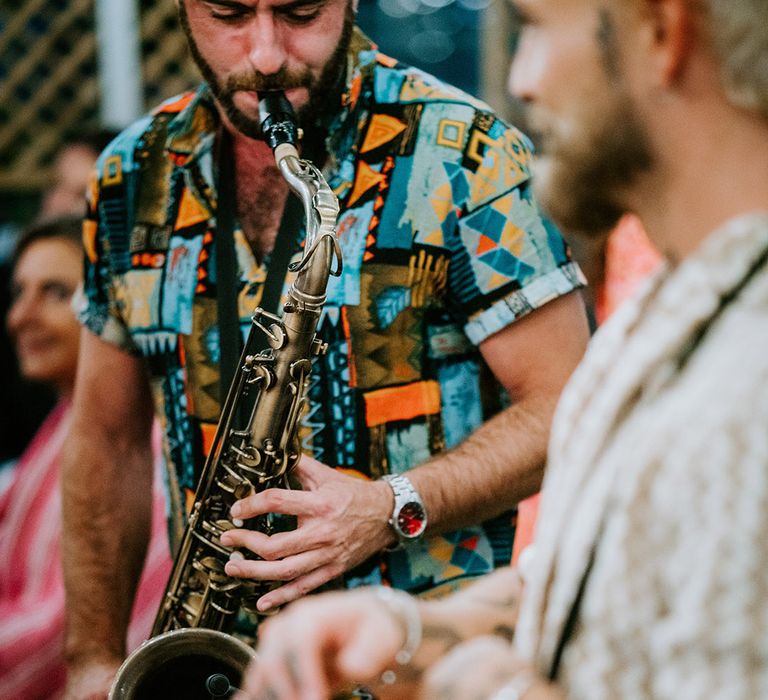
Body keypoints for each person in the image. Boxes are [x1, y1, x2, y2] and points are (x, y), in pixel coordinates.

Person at [234, 0, 768, 698]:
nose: (522, 80)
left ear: (662, 30)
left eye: (536, 29)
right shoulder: (679, 301)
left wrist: (492, 689)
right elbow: (606, 575)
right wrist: (412, 629)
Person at [61, 1, 590, 696]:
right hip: (213, 667)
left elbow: (574, 405)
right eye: (228, 14)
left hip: (421, 669)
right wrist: (92, 658)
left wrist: (392, 504)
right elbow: (107, 441)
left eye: (300, 12)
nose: (267, 54)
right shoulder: (132, 174)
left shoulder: (468, 153)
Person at [0, 217, 171, 700]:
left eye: (55, 293)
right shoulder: (61, 425)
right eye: (19, 293)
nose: (20, 317)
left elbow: (60, 629)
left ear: (111, 310)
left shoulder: (142, 448)